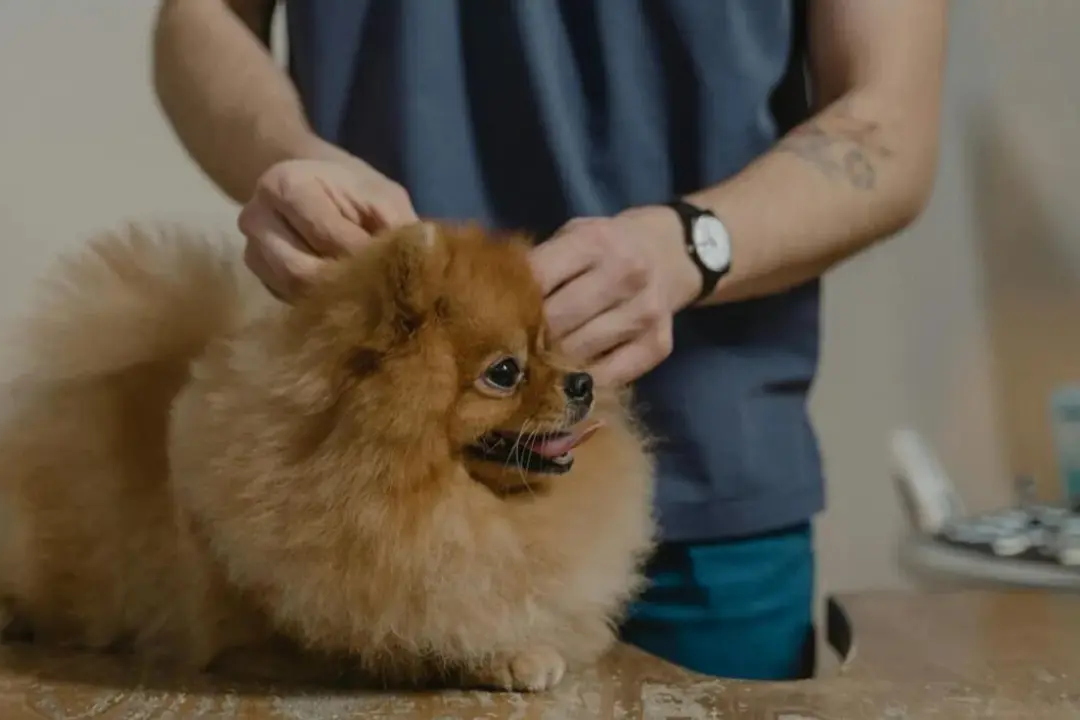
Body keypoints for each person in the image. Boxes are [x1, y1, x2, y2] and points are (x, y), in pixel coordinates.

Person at [151, 0, 947, 681]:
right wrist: (290, 160)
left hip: (706, 504)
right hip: (359, 534)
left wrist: (693, 245)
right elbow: (203, 15)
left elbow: (891, 121)